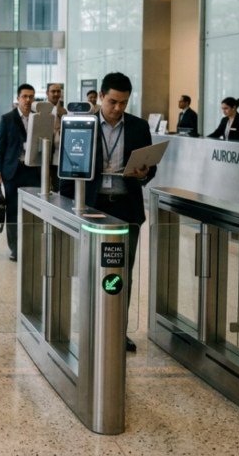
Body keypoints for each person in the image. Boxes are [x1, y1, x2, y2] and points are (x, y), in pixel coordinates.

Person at [60, 72, 156, 353]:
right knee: (90, 269)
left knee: (122, 272)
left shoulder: (138, 127)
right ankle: (91, 326)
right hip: (93, 206)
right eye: (113, 101)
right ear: (100, 96)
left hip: (127, 208)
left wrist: (144, 173)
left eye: (124, 103)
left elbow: (150, 167)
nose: (118, 108)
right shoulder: (82, 124)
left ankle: (117, 330)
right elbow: (67, 163)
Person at [0, 84, 42, 261]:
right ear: (18, 98)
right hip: (13, 171)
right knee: (13, 210)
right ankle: (14, 247)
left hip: (34, 170)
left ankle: (31, 245)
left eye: (31, 96)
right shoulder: (7, 118)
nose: (28, 100)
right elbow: (0, 146)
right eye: (24, 96)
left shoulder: (39, 119)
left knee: (34, 210)